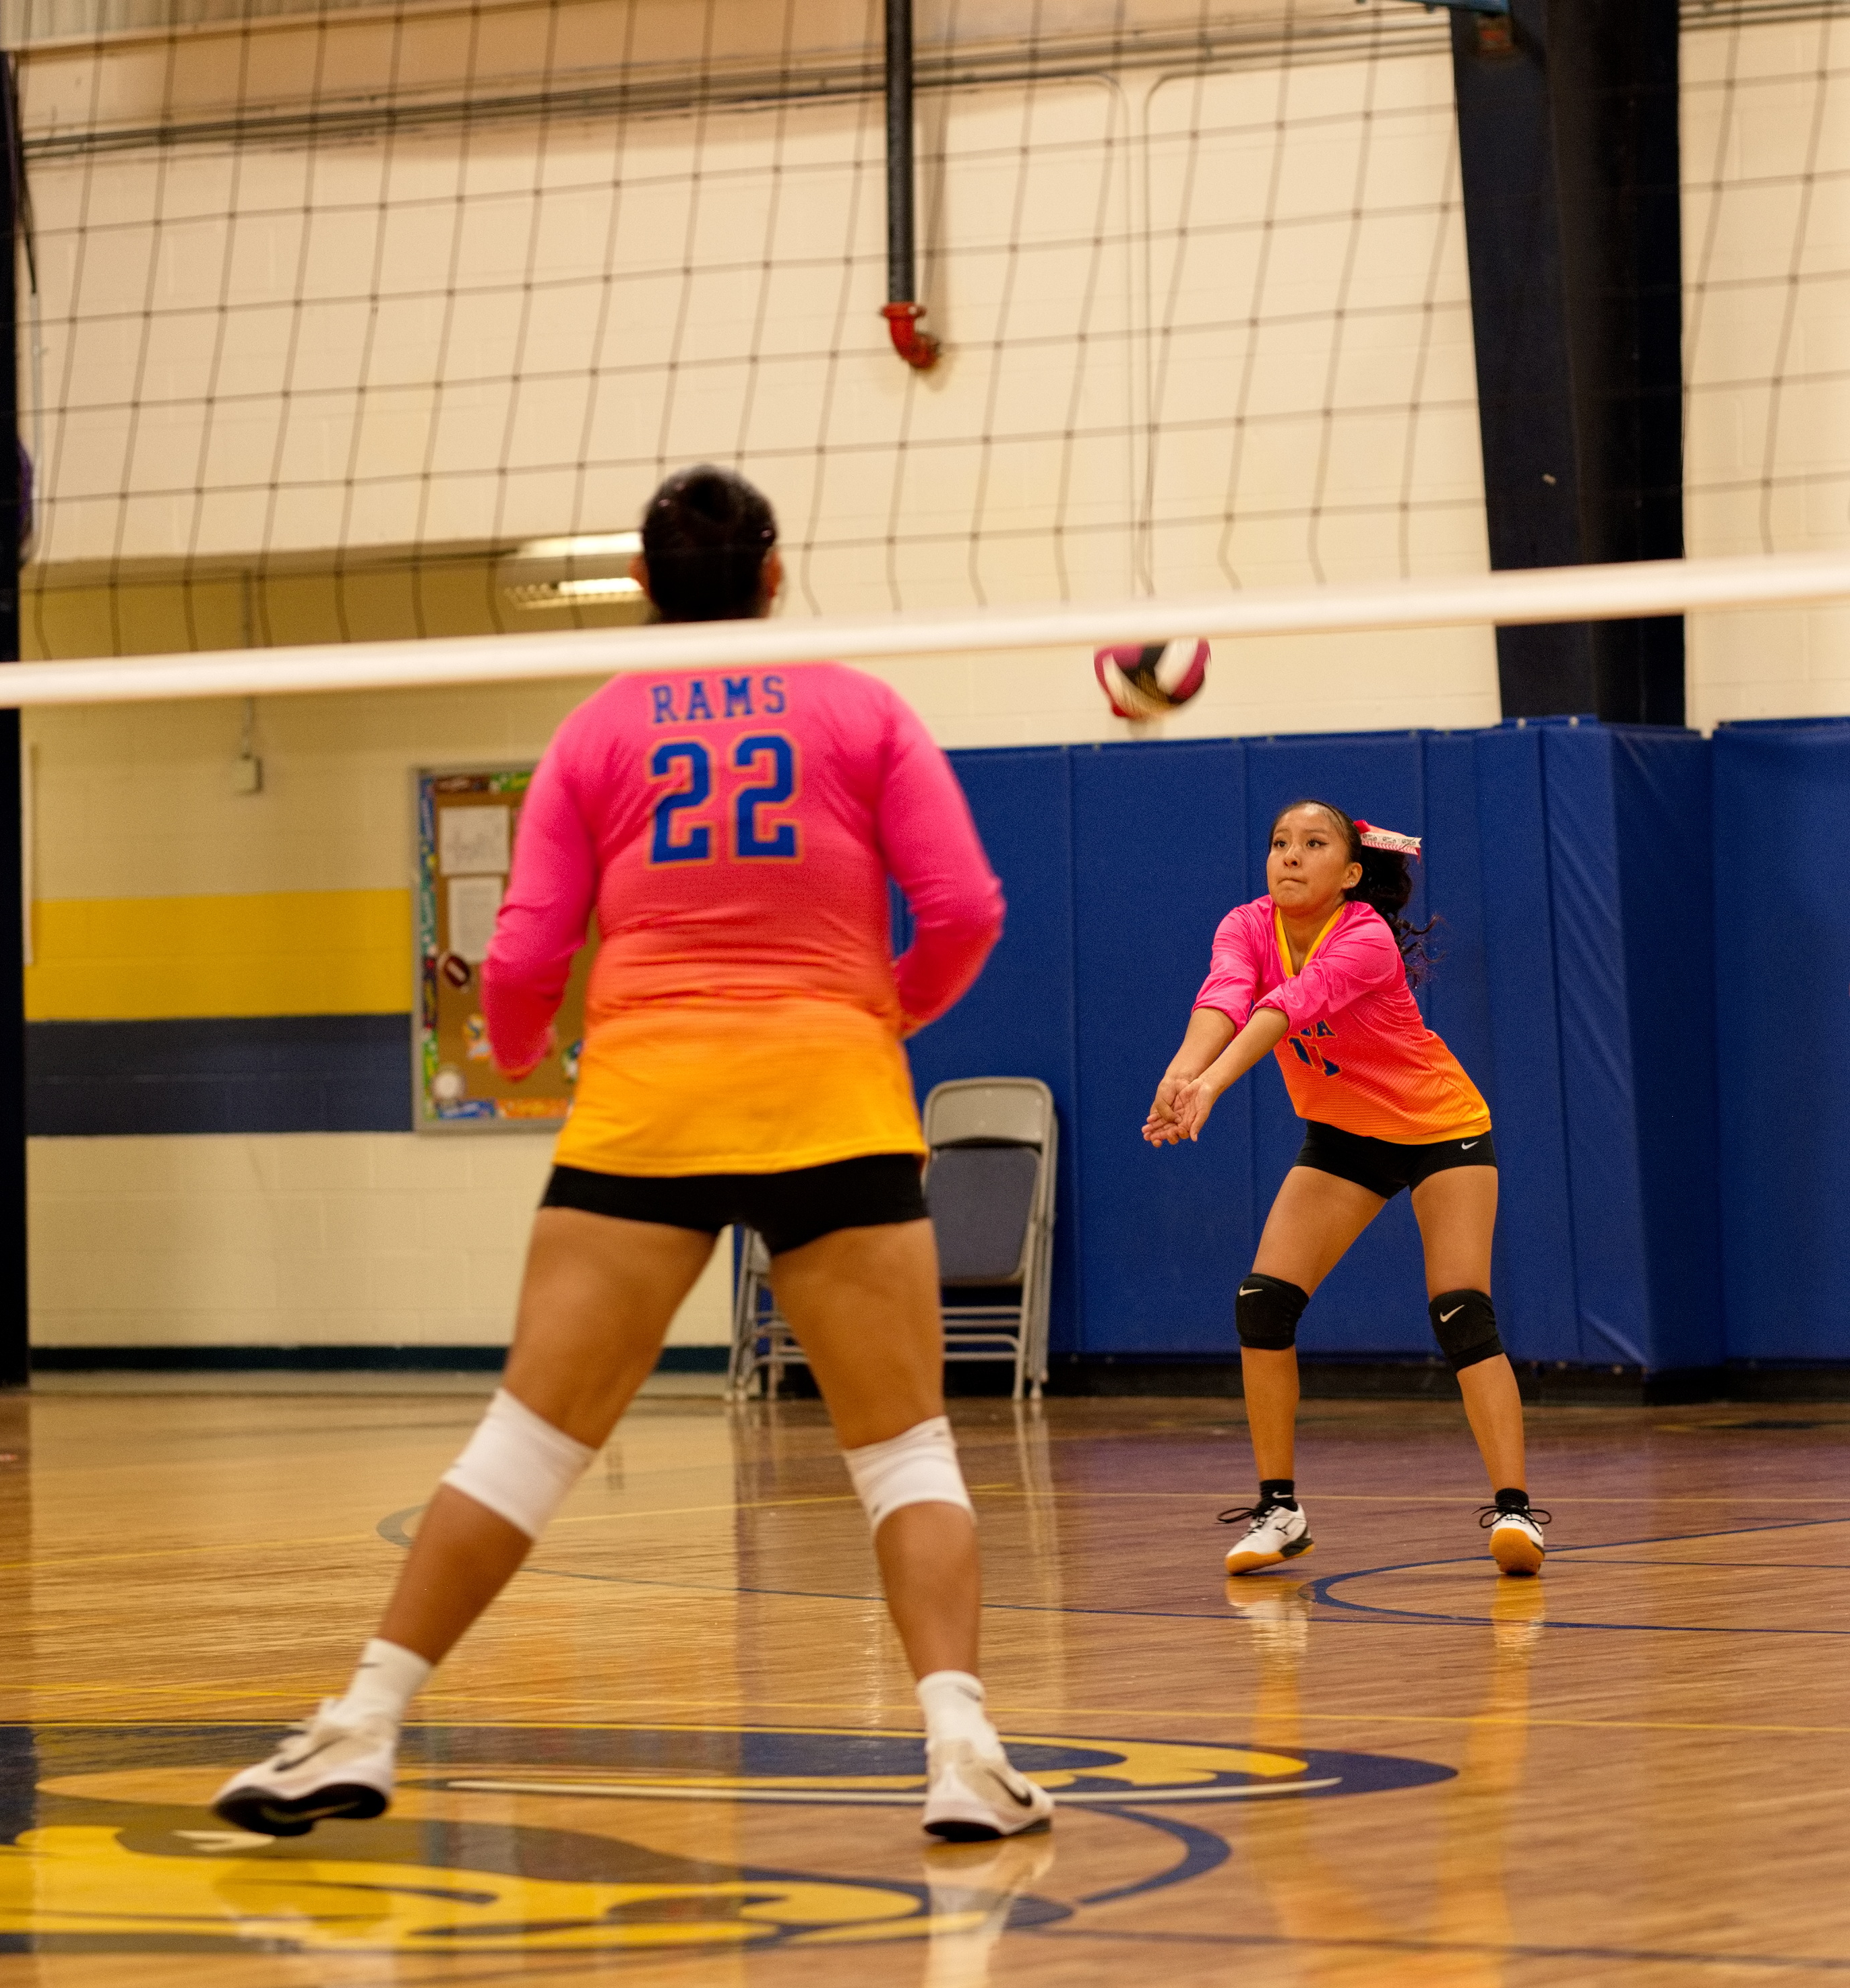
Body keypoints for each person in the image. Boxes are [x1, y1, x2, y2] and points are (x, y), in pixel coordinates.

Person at [215, 462, 1055, 1844]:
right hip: (830, 1099)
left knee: (526, 1446)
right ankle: (961, 1749)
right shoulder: (862, 709)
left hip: (646, 1106)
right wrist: (877, 1013)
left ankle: (361, 1720)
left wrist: (526, 1044)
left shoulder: (596, 731)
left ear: (648, 588)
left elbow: (527, 955)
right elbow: (962, 904)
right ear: (774, 575)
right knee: (906, 1455)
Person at [1144, 802, 1547, 1578]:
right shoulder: (1246, 926)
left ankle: (1516, 1511)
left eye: (1313, 845)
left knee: (1461, 1310)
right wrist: (1181, 1072)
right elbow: (1225, 998)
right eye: (1279, 844)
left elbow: (1281, 1010)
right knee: (1263, 1301)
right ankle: (1279, 1510)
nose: (1290, 857)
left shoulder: (1362, 938)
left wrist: (1213, 1086)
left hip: (1439, 1129)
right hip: (1345, 1136)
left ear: (1351, 872)